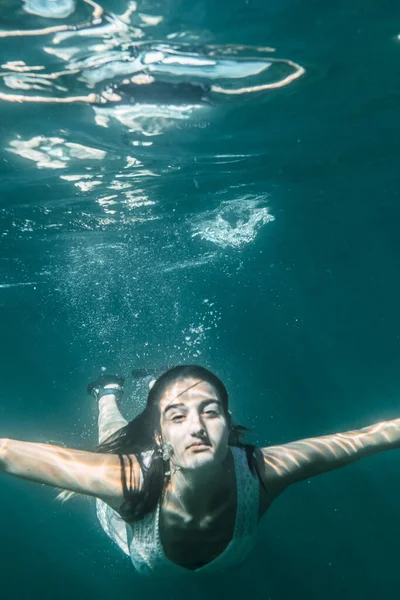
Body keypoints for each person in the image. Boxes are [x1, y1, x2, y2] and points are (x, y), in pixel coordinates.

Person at [1, 365, 399, 575]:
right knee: (114, 435)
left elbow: (367, 438)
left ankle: (163, 388)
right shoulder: (126, 479)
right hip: (132, 508)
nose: (197, 427)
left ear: (229, 422)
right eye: (178, 417)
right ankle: (108, 395)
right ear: (160, 436)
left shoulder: (264, 471)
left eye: (209, 412)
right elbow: (8, 453)